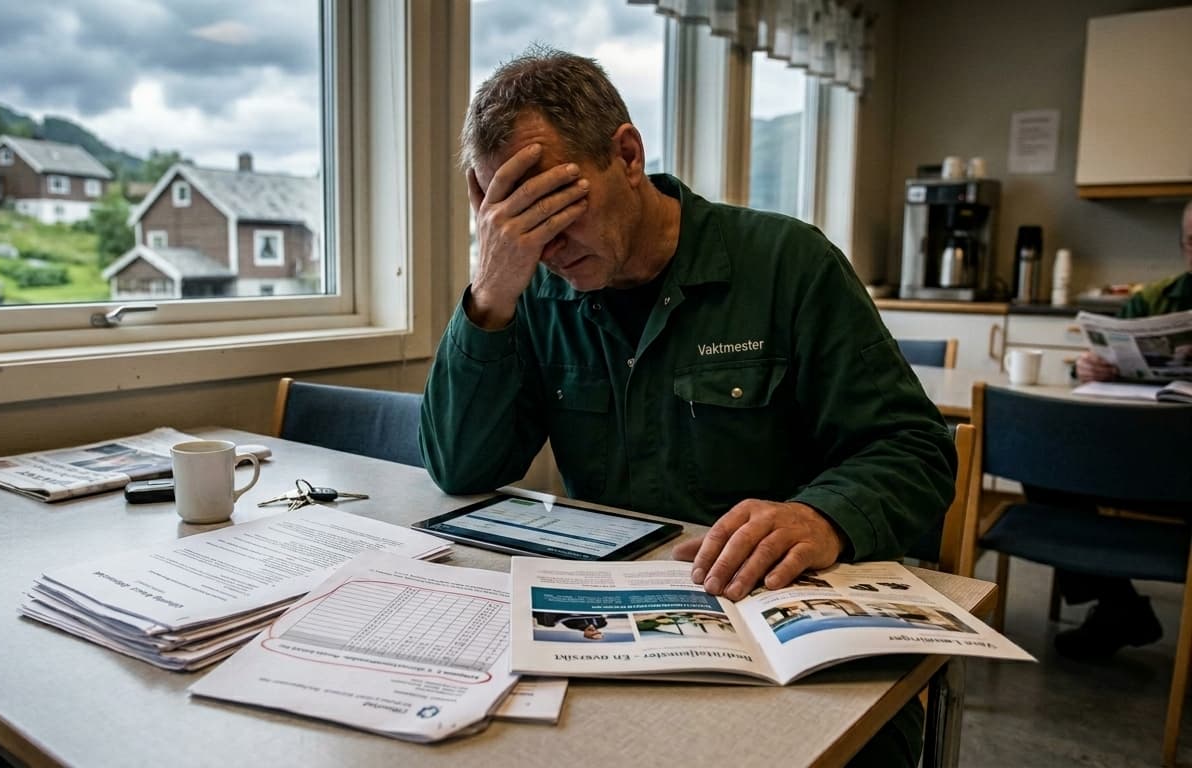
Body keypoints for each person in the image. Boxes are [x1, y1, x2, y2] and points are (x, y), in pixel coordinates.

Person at [419, 46, 956, 767]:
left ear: (627, 155)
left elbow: (915, 449)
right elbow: (460, 466)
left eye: (552, 208)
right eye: (511, 223)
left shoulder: (787, 263)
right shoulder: (533, 292)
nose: (541, 247)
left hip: (785, 630)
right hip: (613, 642)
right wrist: (490, 294)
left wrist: (823, 515)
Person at [1049, 199, 1192, 661]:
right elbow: (1105, 355)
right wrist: (1088, 368)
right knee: (1052, 459)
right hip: (1142, 457)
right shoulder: (1153, 300)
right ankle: (1117, 603)